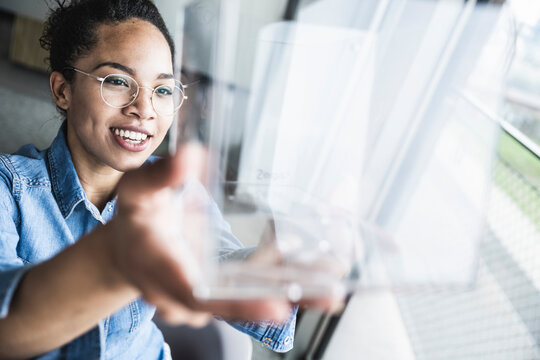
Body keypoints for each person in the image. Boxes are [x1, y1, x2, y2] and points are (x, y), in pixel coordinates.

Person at [0, 0, 342, 358]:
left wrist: (270, 268)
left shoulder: (174, 188)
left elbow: (219, 261)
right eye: (117, 81)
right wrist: (120, 261)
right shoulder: (10, 189)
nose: (144, 109)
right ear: (62, 90)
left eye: (163, 90)